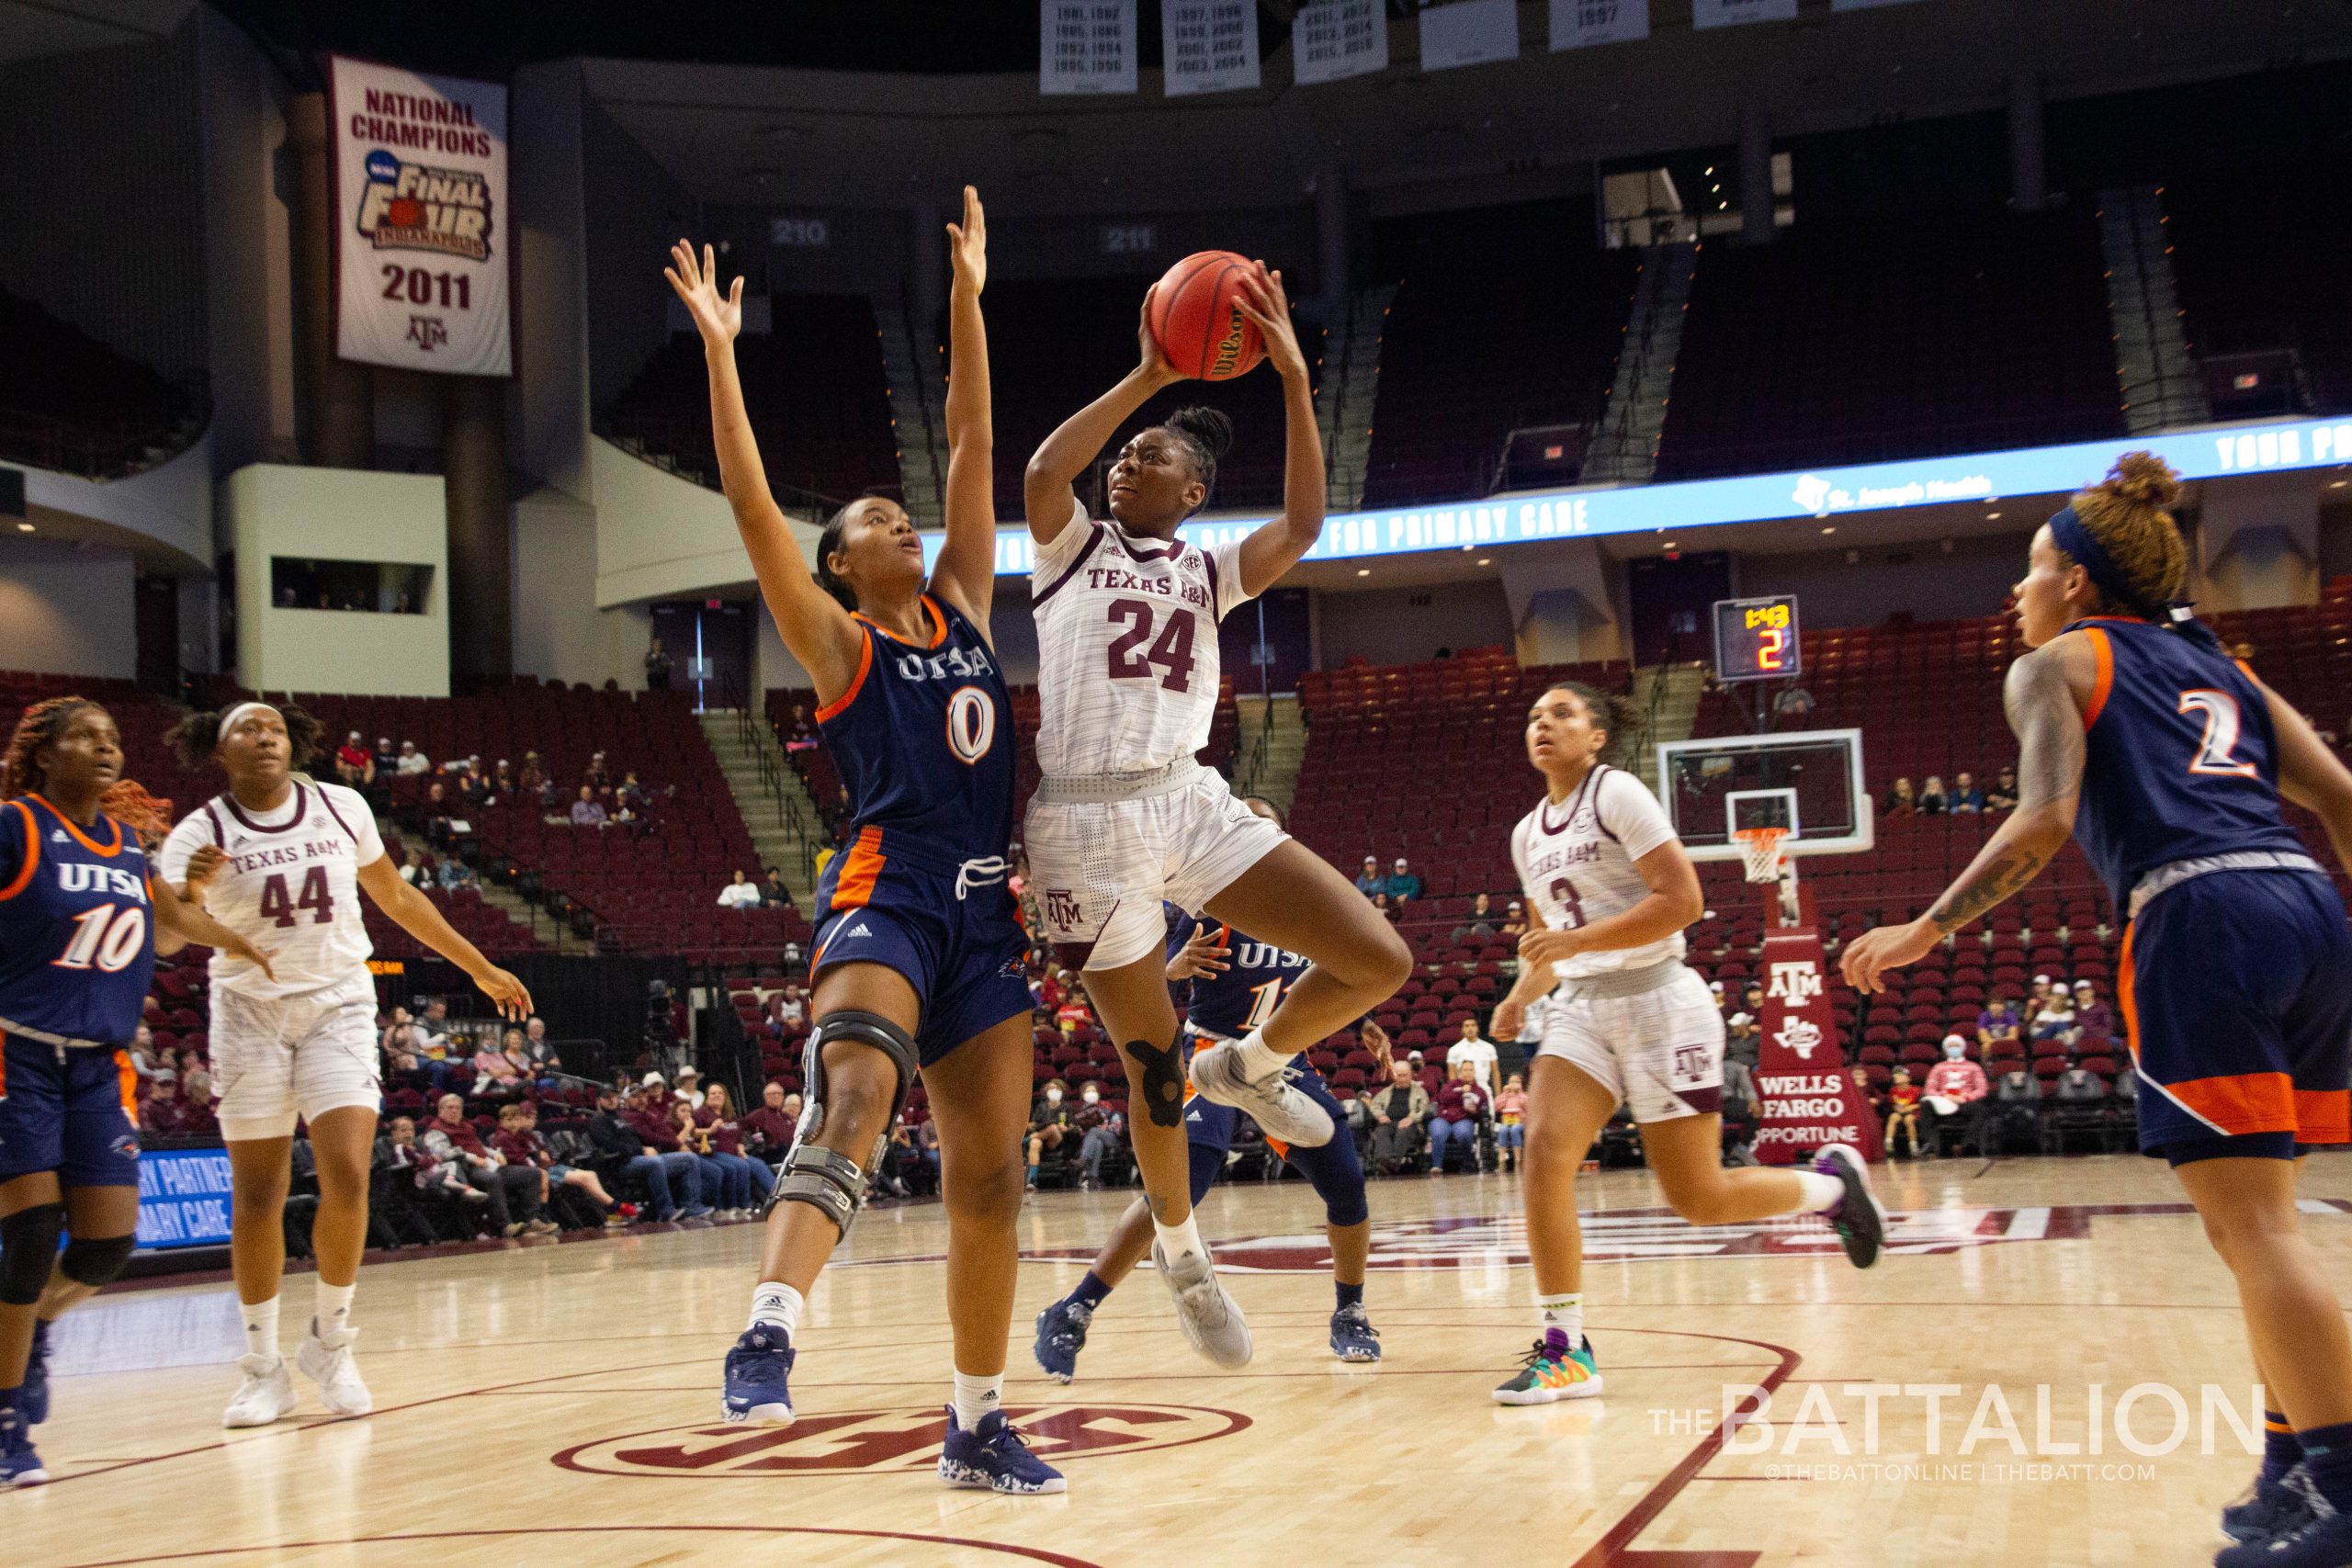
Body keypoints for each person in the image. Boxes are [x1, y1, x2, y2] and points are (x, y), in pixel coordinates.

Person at [1838, 452, 2352, 1565]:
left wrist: (1923, 930)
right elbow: (2343, 802)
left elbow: (2040, 824)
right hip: (2307, 907)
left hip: (2197, 914)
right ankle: (2287, 1475)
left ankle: (2344, 1498)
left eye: (2027, 570)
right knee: (2255, 1228)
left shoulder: (2058, 664)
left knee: (2253, 1229)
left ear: (2073, 582)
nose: (2013, 593)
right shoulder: (2226, 671)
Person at [671, 199, 1061, 1493]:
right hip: (886, 892)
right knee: (855, 1087)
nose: (903, 523)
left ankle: (974, 1420)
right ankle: (768, 1332)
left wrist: (969, 296)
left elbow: (972, 434)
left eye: (906, 515)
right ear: (840, 565)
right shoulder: (842, 643)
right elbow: (746, 507)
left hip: (986, 917)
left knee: (991, 1183)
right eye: (874, 521)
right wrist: (723, 352)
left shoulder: (962, 600)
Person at [1020, 250, 1410, 1375]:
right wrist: (1146, 376)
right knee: (1148, 1078)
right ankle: (1183, 1260)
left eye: (1151, 459)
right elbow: (1049, 465)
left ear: (1191, 494)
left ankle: (1249, 1065)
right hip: (1084, 827)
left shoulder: (1207, 570)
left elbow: (1304, 524)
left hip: (1188, 801)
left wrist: (1292, 376)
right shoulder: (1070, 549)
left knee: (1374, 958)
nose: (1124, 463)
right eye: (1127, 454)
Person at [1489, 682, 1884, 1406]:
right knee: (1543, 1153)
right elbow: (1551, 941)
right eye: (1534, 716)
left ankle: (1832, 1187)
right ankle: (1565, 1346)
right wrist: (1520, 996)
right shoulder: (1525, 833)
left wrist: (1572, 942)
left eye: (1563, 713)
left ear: (1597, 733)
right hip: (1579, 1007)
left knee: (1698, 1197)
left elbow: (1683, 902)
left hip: (1659, 998)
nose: (1544, 724)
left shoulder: (1618, 794)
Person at [158, 699, 531, 1430]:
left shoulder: (341, 804)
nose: (265, 737)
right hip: (248, 1015)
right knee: (260, 1191)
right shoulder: (198, 831)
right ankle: (262, 1365)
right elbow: (170, 938)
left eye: (275, 727)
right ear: (219, 750)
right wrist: (193, 892)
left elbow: (393, 895)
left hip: (336, 1003)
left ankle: (331, 1339)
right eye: (247, 729)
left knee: (349, 1172)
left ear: (293, 742)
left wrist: (479, 966)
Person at [0, 700, 276, 1485]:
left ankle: (36, 1331)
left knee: (107, 1245)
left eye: (112, 738)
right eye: (84, 736)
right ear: (44, 754)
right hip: (14, 1052)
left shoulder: (125, 845)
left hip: (96, 1066)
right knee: (27, 1240)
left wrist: (228, 929)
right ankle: (5, 1417)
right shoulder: (13, 826)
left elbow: (167, 929)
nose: (105, 747)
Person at [1034, 857, 1383, 1380]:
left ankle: (1350, 1311)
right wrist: (1174, 967)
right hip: (1210, 1054)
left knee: (1347, 1183)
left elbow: (1329, 976)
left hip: (1279, 1060)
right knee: (1176, 1190)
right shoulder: (1208, 906)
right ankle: (1074, 1308)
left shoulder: (1303, 911)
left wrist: (1367, 1022)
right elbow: (1154, 976)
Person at [421, 1093, 550, 1237]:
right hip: (464, 1169)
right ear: (440, 1110)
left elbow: (479, 1145)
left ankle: (531, 1220)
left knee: (533, 1174)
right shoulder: (435, 1129)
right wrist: (473, 1158)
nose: (454, 1111)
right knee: (493, 1179)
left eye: (457, 1108)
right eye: (450, 1108)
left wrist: (494, 1153)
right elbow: (442, 1152)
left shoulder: (466, 1126)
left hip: (488, 1164)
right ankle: (505, 1226)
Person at [698, 1084, 775, 1211]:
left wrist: (740, 1149)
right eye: (713, 1093)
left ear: (725, 1097)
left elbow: (739, 1138)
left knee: (759, 1164)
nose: (717, 1095)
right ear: (707, 1097)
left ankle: (777, 1196)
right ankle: (739, 1205)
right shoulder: (702, 1114)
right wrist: (710, 1130)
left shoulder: (730, 1115)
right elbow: (693, 1132)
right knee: (741, 1166)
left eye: (720, 1093)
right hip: (715, 1153)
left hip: (735, 1152)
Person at [1921, 1035, 1990, 1154]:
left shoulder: (1974, 1067)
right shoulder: (1938, 1068)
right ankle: (1931, 1143)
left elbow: (1982, 1089)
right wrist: (1944, 1096)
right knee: (1926, 1104)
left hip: (1964, 1102)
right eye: (1950, 1046)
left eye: (1956, 1046)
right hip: (1943, 1102)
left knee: (1981, 1109)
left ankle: (1969, 1144)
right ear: (1945, 1049)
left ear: (1962, 1048)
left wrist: (1965, 1097)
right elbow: (1929, 1089)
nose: (1953, 1048)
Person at [1366, 1058, 1430, 1173]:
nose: (1403, 1079)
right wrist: (1380, 1115)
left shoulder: (1420, 1091)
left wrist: (1411, 1118)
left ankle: (1390, 1163)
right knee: (1381, 1131)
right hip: (1389, 1122)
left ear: (1411, 1075)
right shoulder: (1386, 1091)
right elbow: (1374, 1105)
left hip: (1410, 1124)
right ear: (1394, 1076)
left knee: (1403, 1131)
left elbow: (1423, 1108)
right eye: (1399, 1075)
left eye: (1406, 1075)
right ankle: (1386, 1161)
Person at [1430, 1058, 1487, 1174]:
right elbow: (1443, 1098)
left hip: (1464, 1119)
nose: (1468, 1072)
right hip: (1444, 1118)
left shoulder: (1479, 1090)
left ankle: (1467, 1163)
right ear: (1460, 1072)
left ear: (1474, 1072)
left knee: (1464, 1134)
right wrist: (1461, 1091)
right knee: (1438, 1132)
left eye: (1471, 1070)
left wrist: (1474, 1112)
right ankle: (1437, 1166)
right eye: (1465, 1070)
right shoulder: (1450, 1085)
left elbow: (1482, 1111)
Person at [1073, 1081, 1123, 1189]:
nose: (1091, 1093)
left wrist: (1107, 1127)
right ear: (1083, 1095)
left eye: (1093, 1091)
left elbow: (1118, 1126)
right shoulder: (1082, 1110)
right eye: (1088, 1091)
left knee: (1094, 1131)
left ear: (1098, 1093)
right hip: (1092, 1142)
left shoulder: (1107, 1105)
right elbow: (1079, 1130)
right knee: (1098, 1143)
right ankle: (1093, 1178)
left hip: (1110, 1137)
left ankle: (1084, 1159)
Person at [1448, 1016, 1500, 1100]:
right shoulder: (1454, 1050)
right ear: (1462, 1029)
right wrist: (1457, 1093)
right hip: (1464, 1092)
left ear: (1477, 1028)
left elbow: (1495, 1072)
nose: (1470, 1028)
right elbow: (1452, 1076)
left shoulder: (1489, 1047)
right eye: (1467, 1026)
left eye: (1473, 1025)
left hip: (1485, 1090)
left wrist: (1498, 1096)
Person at [1883, 1066, 1923, 1158]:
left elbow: (1921, 1103)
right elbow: (1893, 1104)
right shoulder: (1893, 1091)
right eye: (1895, 1075)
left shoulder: (1916, 1090)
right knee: (1893, 1117)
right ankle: (1888, 1143)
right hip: (1900, 1111)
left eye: (1900, 1075)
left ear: (1908, 1078)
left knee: (1908, 1120)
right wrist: (1897, 1108)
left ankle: (1913, 1145)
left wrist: (1912, 1107)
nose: (1896, 1076)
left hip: (1913, 1112)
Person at [1493, 1073, 1528, 1173]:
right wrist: (1505, 1094)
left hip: (1521, 1123)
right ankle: (1501, 1159)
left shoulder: (1525, 1096)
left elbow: (1528, 1107)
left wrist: (1519, 1093)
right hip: (1506, 1122)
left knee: (1514, 1129)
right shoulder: (1504, 1096)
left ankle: (1518, 1160)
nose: (1514, 1084)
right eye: (1512, 1082)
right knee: (1503, 1130)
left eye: (1517, 1082)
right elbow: (1497, 1107)